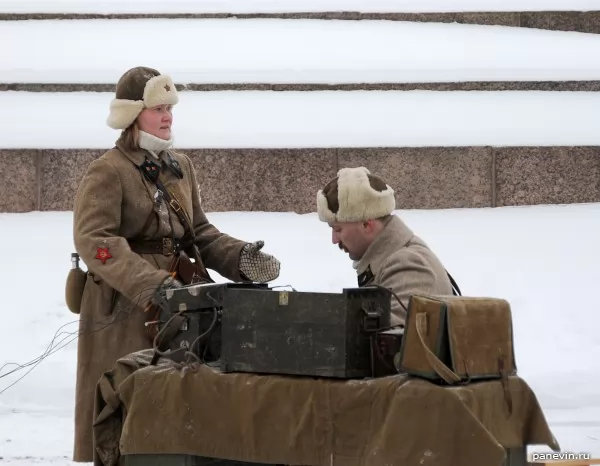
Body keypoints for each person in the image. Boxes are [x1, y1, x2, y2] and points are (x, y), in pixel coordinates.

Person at [69, 66, 281, 463]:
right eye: (158, 108)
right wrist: (151, 285)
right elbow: (94, 242)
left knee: (175, 412)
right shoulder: (108, 170)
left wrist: (240, 258)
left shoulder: (179, 165)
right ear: (134, 114)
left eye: (170, 108)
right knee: (127, 405)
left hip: (182, 301)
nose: (168, 116)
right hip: (124, 309)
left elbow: (198, 231)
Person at [316, 166, 457, 328]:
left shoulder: (408, 264)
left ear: (367, 225)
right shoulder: (389, 260)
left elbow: (391, 338)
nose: (334, 239)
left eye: (338, 229)